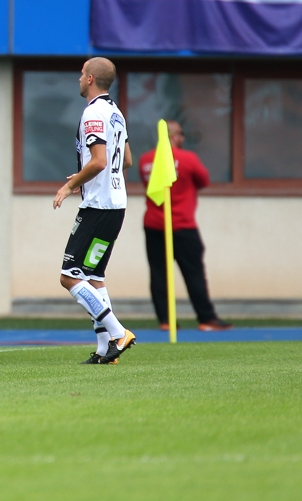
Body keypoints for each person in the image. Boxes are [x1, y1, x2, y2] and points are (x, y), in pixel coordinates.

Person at [52, 57, 136, 365]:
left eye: (81, 74)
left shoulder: (94, 113)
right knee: (94, 277)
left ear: (90, 79)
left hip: (98, 207)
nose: (78, 78)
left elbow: (99, 161)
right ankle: (106, 350)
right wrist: (85, 177)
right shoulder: (116, 112)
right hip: (116, 205)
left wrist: (71, 184)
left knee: (70, 277)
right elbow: (125, 160)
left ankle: (117, 333)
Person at [139, 121, 233, 332]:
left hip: (154, 224)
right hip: (182, 224)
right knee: (194, 273)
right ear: (175, 135)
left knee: (158, 273)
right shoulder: (188, 158)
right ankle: (206, 318)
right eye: (181, 133)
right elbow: (204, 180)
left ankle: (165, 320)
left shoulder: (146, 159)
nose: (183, 137)